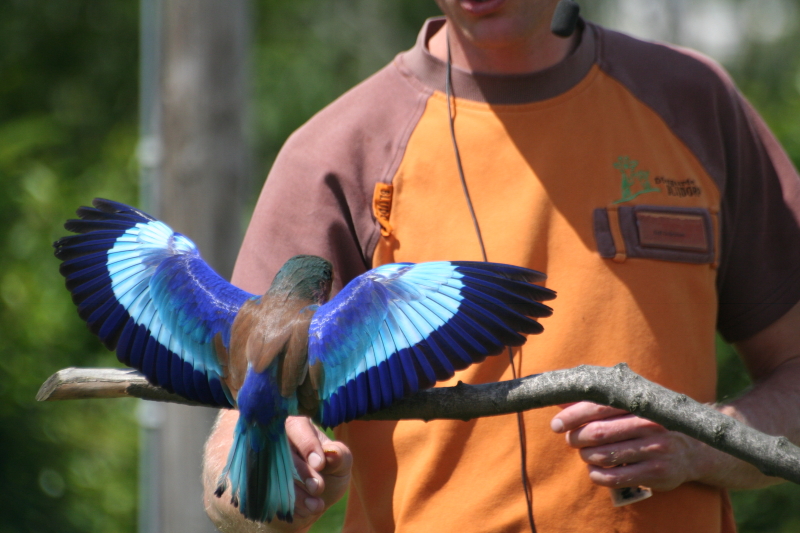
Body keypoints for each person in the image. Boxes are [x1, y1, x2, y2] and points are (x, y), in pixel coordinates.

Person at [202, 1, 800, 531]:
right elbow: (229, 470)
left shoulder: (694, 103)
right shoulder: (337, 151)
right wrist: (280, 484)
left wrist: (700, 443)